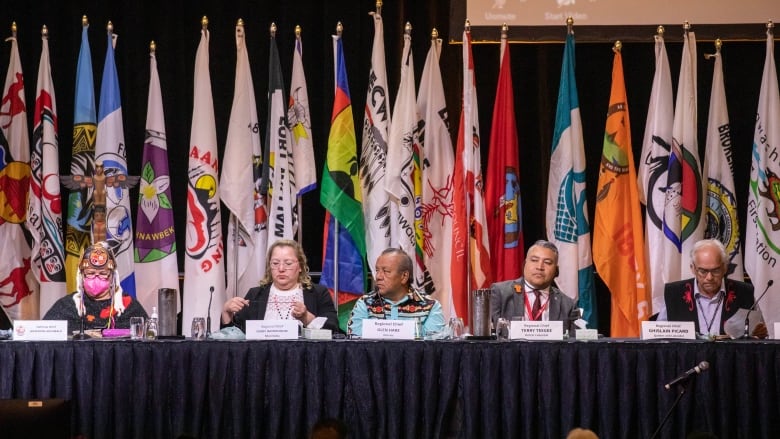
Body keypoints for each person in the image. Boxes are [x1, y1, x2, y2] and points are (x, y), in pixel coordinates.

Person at [221, 239, 340, 333]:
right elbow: (235, 338)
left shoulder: (318, 293)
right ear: (269, 266)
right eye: (275, 263)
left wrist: (306, 317)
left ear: (300, 267)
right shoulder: (255, 294)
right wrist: (227, 313)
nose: (281, 269)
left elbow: (333, 330)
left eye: (288, 263)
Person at [658, 239, 763, 337]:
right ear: (693, 268)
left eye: (715, 271)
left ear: (725, 268)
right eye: (703, 271)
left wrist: (758, 335)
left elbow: (758, 334)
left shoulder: (745, 293)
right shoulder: (674, 294)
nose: (709, 277)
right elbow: (658, 336)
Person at [43, 241, 147, 333]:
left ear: (113, 277)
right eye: (90, 273)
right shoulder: (66, 306)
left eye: (102, 273)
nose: (96, 277)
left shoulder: (128, 307)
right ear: (81, 276)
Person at [347, 248, 445, 337]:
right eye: (377, 270)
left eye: (386, 271)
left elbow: (433, 349)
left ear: (404, 276)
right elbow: (355, 346)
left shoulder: (430, 306)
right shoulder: (364, 303)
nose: (378, 277)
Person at [490, 240, 579, 333]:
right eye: (534, 260)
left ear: (556, 271)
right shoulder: (500, 294)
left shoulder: (568, 305)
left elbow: (576, 344)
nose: (540, 267)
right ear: (524, 264)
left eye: (547, 262)